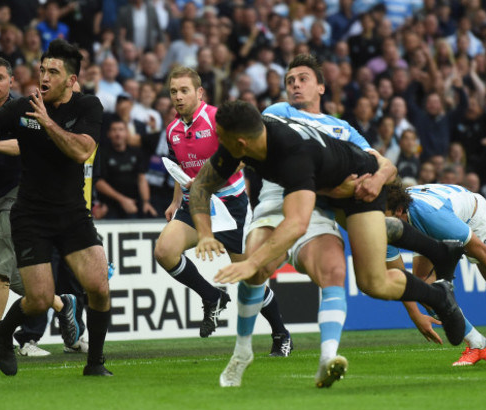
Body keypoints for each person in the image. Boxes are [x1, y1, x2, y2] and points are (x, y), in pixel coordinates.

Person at [188, 100, 466, 388]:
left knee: (374, 282)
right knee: (269, 259)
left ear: (241, 142)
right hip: (320, 186)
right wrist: (206, 233)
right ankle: (437, 254)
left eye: (220, 136)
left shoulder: (291, 153)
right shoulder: (248, 141)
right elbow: (201, 185)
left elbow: (296, 224)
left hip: (357, 186)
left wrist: (252, 262)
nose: (217, 142)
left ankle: (438, 296)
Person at [0, 39, 112, 376]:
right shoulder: (23, 107)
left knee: (99, 287)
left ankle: (95, 364)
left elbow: (81, 151)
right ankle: (2, 332)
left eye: (53, 72)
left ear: (71, 79)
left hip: (73, 213)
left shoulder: (88, 107)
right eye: (42, 69)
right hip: (31, 215)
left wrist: (47, 123)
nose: (44, 76)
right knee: (40, 300)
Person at [251, 53, 398, 387]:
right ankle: (243, 350)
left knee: (336, 273)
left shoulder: (342, 128)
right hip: (279, 205)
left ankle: (327, 357)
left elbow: (384, 164)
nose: (295, 85)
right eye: (290, 81)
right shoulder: (276, 114)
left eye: (303, 79)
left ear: (321, 86)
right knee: (255, 269)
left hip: (320, 212)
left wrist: (376, 179)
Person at [154, 67, 292, 355]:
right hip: (195, 205)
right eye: (173, 91)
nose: (178, 97)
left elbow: (242, 156)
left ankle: (281, 333)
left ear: (199, 92)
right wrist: (175, 200)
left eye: (184, 90)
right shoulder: (172, 130)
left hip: (231, 207)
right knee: (164, 251)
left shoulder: (218, 119)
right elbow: (181, 169)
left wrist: (208, 178)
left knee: (250, 277)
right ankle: (211, 296)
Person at [385, 183, 486, 366]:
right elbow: (398, 276)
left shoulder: (432, 217)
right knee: (422, 286)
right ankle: (478, 344)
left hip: (472, 217)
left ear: (398, 211)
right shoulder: (385, 225)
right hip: (430, 222)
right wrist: (415, 315)